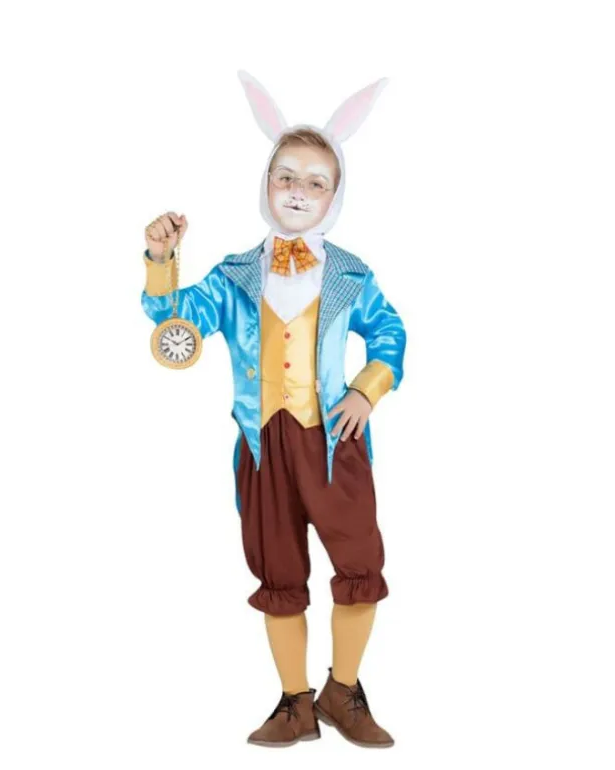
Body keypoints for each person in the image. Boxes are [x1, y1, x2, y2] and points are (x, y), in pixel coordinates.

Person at [141, 72, 406, 749]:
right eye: (285, 176)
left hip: (334, 442)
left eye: (316, 182)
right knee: (278, 571)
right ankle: (295, 703)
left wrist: (365, 389)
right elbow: (173, 319)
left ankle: (343, 691)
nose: (297, 191)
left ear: (335, 196)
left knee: (359, 564)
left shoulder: (350, 273)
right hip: (263, 446)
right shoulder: (234, 276)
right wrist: (161, 259)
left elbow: (390, 332)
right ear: (264, 183)